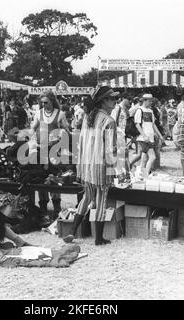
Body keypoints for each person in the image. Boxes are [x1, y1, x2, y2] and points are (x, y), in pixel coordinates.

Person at [63, 86, 118, 246]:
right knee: (101, 200)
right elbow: (110, 149)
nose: (115, 101)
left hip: (86, 165)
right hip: (100, 166)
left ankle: (72, 232)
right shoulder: (109, 121)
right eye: (112, 98)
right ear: (103, 101)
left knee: (87, 197)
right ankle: (99, 238)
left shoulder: (88, 117)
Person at [31, 90, 70, 219]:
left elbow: (67, 131)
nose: (44, 105)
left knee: (54, 178)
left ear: (52, 101)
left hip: (55, 150)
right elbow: (32, 128)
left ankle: (57, 208)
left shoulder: (60, 114)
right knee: (42, 178)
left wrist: (60, 138)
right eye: (42, 103)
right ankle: (43, 209)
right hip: (41, 150)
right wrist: (33, 139)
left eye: (46, 102)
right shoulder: (38, 113)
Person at [132, 93, 164, 177]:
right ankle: (145, 175)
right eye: (149, 101)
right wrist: (144, 135)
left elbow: (153, 124)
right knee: (152, 157)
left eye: (151, 101)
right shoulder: (139, 110)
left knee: (144, 158)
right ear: (144, 100)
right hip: (143, 138)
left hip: (150, 138)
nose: (151, 103)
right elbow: (137, 124)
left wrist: (160, 135)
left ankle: (140, 175)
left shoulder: (150, 111)